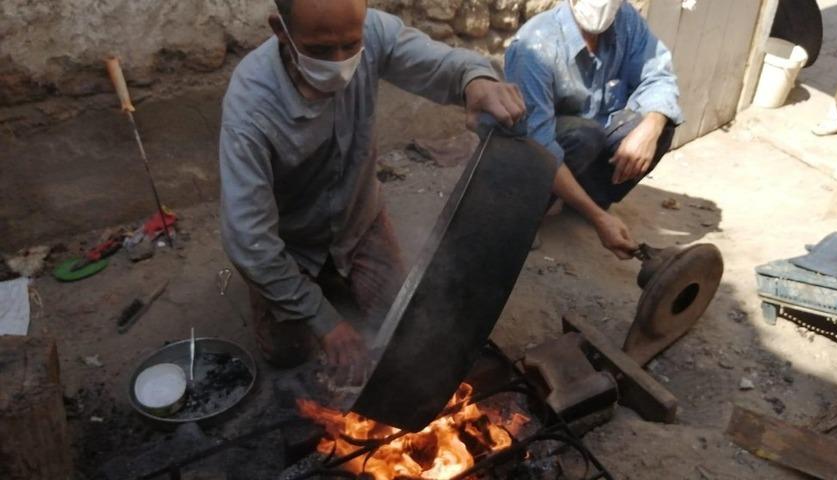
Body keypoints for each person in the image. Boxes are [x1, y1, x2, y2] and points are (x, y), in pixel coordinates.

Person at [219, 0, 525, 373]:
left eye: (351, 45)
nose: (339, 61)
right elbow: (249, 240)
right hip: (291, 242)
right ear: (280, 30)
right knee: (288, 354)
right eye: (319, 50)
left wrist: (476, 79)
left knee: (401, 324)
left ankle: (334, 274)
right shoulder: (250, 106)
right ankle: (309, 284)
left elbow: (443, 64)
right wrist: (325, 322)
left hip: (357, 219)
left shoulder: (374, 32)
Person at [505, 0, 682, 260]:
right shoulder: (534, 46)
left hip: (592, 138)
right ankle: (528, 214)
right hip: (536, 151)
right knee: (583, 135)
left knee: (661, 122)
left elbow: (659, 77)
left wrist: (652, 125)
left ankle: (582, 201)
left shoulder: (626, 22)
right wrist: (600, 219)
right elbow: (537, 145)